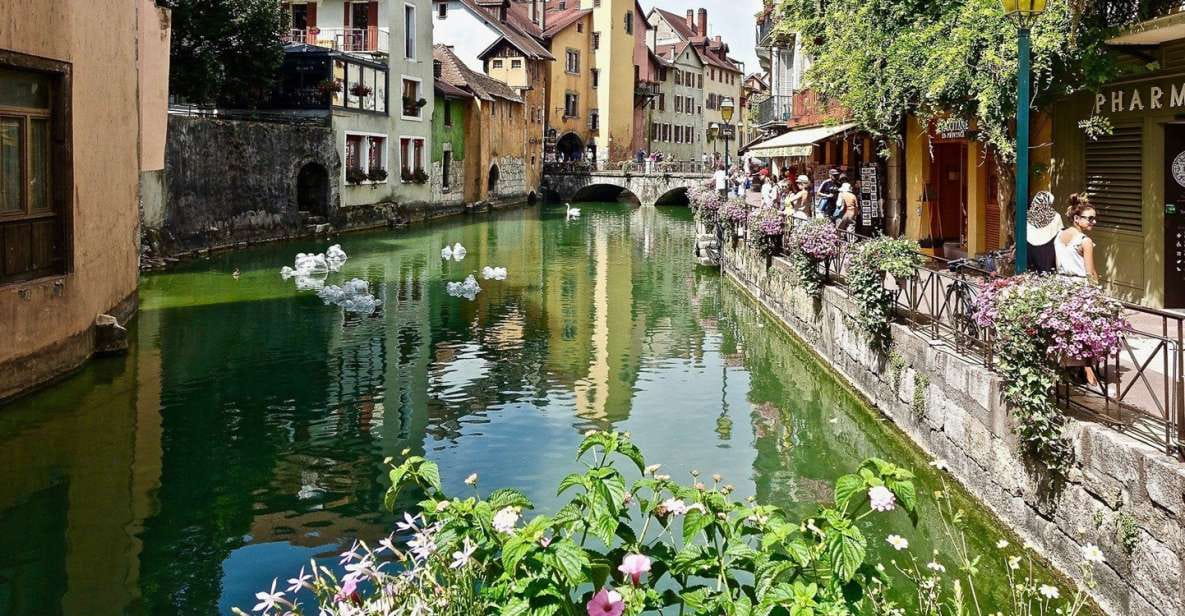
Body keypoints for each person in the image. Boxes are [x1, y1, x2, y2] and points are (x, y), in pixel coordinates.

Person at [1056, 193, 1100, 386]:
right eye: (1090, 218)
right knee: (1086, 330)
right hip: (1079, 287)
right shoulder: (1085, 241)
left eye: (1094, 218)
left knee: (1067, 329)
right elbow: (1090, 272)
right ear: (1076, 219)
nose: (1094, 222)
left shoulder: (1059, 236)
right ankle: (1088, 370)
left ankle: (1068, 368)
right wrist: (1097, 292)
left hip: (1061, 285)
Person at [1026, 191, 1062, 274]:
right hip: (1048, 252)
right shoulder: (1056, 216)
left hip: (1029, 251)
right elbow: (1060, 234)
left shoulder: (1027, 216)